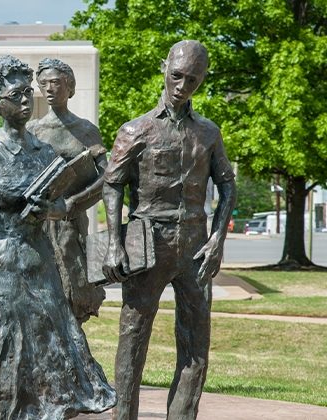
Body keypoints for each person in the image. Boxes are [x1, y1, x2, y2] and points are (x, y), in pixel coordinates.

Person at [0, 55, 116, 419]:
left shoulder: (44, 151)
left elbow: (62, 199)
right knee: (7, 342)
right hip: (1, 263)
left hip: (40, 258)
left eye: (27, 92)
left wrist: (54, 206)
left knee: (51, 338)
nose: (26, 100)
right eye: (16, 95)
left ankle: (48, 406)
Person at [102, 40, 237, 420]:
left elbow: (227, 185)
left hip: (195, 245)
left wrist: (218, 238)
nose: (182, 86)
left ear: (203, 79)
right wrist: (113, 244)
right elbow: (112, 184)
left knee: (196, 342)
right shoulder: (136, 129)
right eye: (177, 75)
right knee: (133, 336)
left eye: (193, 80)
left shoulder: (208, 133)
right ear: (164, 68)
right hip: (147, 240)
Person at [26, 58, 108, 325]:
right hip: (37, 225)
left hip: (72, 222)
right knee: (40, 296)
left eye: (56, 83)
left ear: (70, 87)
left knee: (74, 290)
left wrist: (74, 202)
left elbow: (108, 176)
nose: (49, 88)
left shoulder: (86, 130)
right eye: (44, 84)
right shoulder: (32, 130)